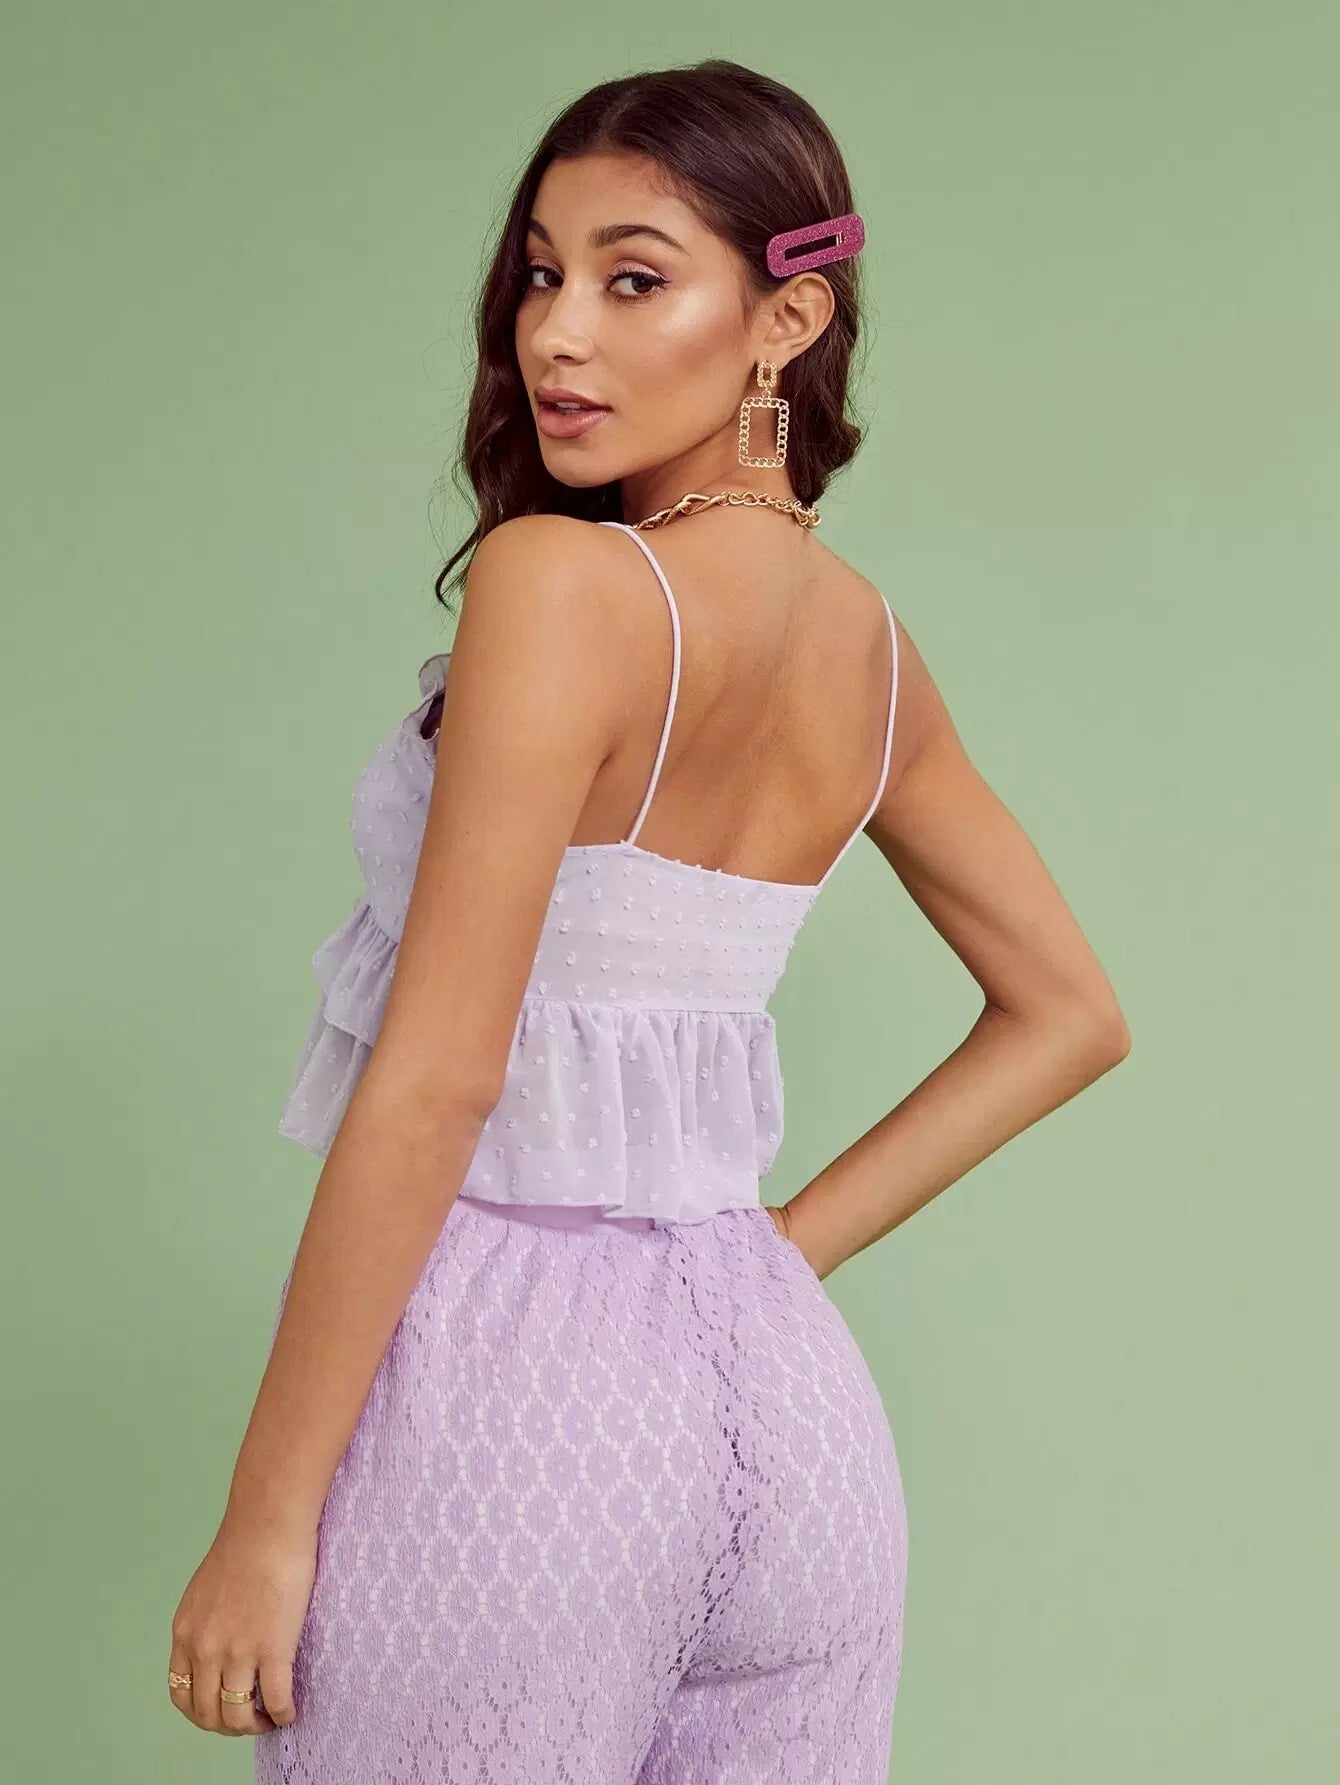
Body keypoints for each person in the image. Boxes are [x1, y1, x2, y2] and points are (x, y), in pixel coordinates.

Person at [167, 58, 1130, 1785]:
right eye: (542, 273)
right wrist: (774, 1258)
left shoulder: (561, 585)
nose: (556, 334)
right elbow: (1072, 1010)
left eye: (634, 279)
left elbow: (438, 1078)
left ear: (786, 318)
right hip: (795, 1422)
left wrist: (265, 1517)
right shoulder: (870, 648)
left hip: (517, 1415)